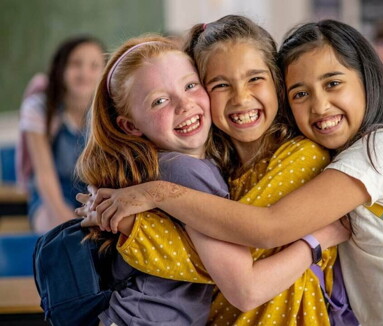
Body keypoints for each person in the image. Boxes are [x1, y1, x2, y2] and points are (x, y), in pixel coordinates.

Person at [82, 19, 383, 325]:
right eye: (218, 84)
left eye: (255, 79)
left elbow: (258, 240)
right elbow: (220, 261)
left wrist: (150, 204)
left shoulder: (330, 154)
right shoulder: (214, 164)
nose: (319, 106)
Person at [77, 28, 348, 326]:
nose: (184, 105)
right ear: (130, 126)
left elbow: (209, 253)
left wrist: (139, 225)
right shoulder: (186, 169)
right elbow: (246, 285)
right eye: (159, 101)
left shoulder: (179, 167)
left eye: (190, 86)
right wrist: (319, 239)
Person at [17, 35, 105, 233]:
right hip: (52, 192)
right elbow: (44, 175)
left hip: (93, 192)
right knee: (58, 235)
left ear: (104, 72)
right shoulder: (39, 107)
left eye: (94, 65)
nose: (84, 73)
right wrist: (64, 218)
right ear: (61, 68)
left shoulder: (108, 110)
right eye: (76, 64)